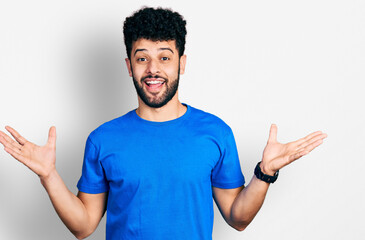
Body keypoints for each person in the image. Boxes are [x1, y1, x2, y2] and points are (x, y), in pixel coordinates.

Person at [0, 7, 327, 240]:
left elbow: (238, 218)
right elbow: (84, 226)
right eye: (142, 58)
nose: (153, 69)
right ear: (129, 65)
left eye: (164, 57)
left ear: (181, 63)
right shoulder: (103, 139)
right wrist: (49, 176)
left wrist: (265, 172)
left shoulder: (214, 133)